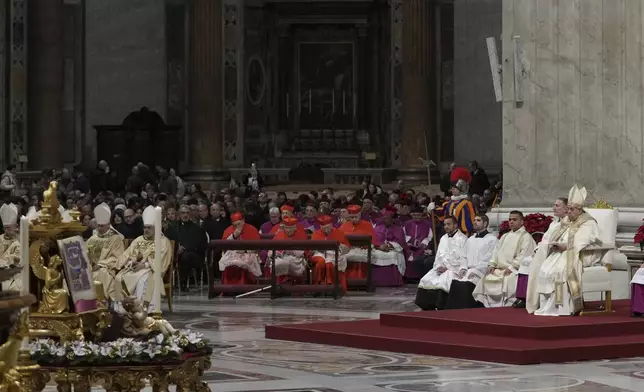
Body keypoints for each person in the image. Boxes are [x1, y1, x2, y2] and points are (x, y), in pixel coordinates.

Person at [529, 187, 602, 316]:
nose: (568, 212)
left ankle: (562, 307)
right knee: (545, 269)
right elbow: (557, 234)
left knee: (559, 271)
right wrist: (554, 244)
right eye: (568, 209)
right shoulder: (568, 220)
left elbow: (582, 241)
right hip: (561, 252)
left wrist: (566, 246)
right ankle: (547, 306)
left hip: (578, 254)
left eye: (571, 209)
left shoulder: (587, 222)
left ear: (579, 210)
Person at [113, 206, 173, 313]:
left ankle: (143, 309)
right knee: (119, 277)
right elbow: (128, 254)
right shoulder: (138, 240)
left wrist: (144, 265)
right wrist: (131, 262)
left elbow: (162, 261)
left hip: (152, 269)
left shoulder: (163, 241)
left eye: (149, 227)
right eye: (145, 227)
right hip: (136, 268)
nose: (146, 230)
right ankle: (123, 309)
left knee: (143, 280)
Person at [473, 211, 536, 308]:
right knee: (485, 278)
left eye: (514, 220)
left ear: (522, 222)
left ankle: (506, 308)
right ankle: (488, 308)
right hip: (499, 269)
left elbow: (524, 255)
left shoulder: (526, 237)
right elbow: (496, 251)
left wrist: (512, 267)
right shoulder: (505, 236)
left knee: (509, 280)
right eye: (510, 219)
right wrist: (492, 264)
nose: (511, 222)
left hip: (513, 271)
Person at [525, 197, 570, 315]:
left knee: (552, 271)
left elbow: (572, 241)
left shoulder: (570, 223)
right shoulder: (554, 223)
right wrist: (537, 249)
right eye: (554, 205)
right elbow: (545, 239)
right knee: (532, 264)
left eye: (557, 205)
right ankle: (537, 302)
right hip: (549, 252)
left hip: (562, 253)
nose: (553, 208)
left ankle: (557, 306)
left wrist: (560, 245)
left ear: (566, 208)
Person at [444, 214, 498, 309]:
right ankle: (453, 312)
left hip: (481, 272)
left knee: (467, 284)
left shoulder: (492, 240)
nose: (475, 222)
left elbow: (490, 258)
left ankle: (468, 311)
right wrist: (463, 268)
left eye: (478, 220)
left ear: (485, 224)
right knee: (455, 282)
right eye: (474, 220)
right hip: (468, 270)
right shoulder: (470, 239)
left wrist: (476, 271)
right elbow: (463, 256)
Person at [415, 216, 467, 310]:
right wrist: (439, 266)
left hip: (454, 269)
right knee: (426, 279)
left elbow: (463, 257)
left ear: (455, 225)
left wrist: (449, 268)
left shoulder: (462, 239)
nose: (446, 226)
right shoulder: (443, 238)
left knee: (444, 281)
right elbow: (438, 256)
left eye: (449, 224)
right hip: (441, 268)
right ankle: (428, 306)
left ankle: (441, 306)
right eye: (445, 224)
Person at [86, 203, 125, 300]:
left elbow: (118, 257)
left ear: (108, 225)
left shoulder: (115, 238)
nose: (99, 228)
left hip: (108, 268)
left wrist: (101, 264)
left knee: (102, 273)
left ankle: (101, 301)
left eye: (102, 226)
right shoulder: (93, 238)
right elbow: (85, 251)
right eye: (98, 226)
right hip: (92, 267)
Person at [170, 205, 208, 291]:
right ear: (179, 214)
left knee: (186, 256)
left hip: (194, 255)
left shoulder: (197, 228)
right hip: (175, 253)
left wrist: (184, 248)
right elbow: (169, 240)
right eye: (183, 213)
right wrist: (176, 248)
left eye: (187, 213)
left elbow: (199, 243)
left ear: (190, 215)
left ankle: (183, 283)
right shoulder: (174, 227)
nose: (185, 215)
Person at [219, 212, 262, 284]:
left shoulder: (252, 230)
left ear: (243, 221)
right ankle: (228, 289)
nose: (237, 227)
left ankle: (244, 288)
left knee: (242, 264)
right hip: (232, 254)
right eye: (235, 225)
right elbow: (224, 246)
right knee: (229, 264)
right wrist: (234, 236)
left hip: (249, 254)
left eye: (239, 224)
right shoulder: (228, 230)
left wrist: (245, 250)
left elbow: (257, 247)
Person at [310, 215, 350, 292]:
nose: (326, 230)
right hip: (320, 254)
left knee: (330, 263)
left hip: (334, 255)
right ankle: (319, 285)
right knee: (321, 262)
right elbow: (312, 249)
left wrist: (341, 246)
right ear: (320, 226)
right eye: (323, 227)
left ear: (331, 225)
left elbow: (347, 248)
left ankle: (333, 286)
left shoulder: (339, 233)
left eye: (328, 227)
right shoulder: (316, 234)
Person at [370, 207, 408, 287]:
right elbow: (373, 240)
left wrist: (389, 245)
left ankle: (393, 282)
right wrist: (380, 246)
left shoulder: (398, 229)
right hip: (379, 248)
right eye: (384, 218)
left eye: (387, 218)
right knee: (373, 254)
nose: (385, 220)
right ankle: (375, 281)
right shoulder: (377, 228)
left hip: (393, 249)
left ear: (392, 219)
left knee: (393, 255)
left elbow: (401, 243)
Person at [338, 204, 374, 280]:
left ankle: (362, 280)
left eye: (355, 217)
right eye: (351, 217)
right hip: (347, 249)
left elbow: (372, 239)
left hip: (362, 249)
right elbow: (339, 239)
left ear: (360, 215)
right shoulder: (344, 225)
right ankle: (343, 280)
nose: (353, 219)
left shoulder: (367, 225)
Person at [270, 217, 309, 284]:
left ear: (295, 228)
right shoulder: (279, 235)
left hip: (297, 258)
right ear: (284, 227)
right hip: (281, 257)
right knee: (279, 264)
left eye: (291, 228)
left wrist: (294, 252)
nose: (289, 230)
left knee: (289, 262)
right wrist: (281, 252)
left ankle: (292, 285)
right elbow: (271, 251)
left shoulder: (301, 235)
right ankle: (281, 285)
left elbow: (305, 251)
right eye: (287, 228)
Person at [404, 205, 434, 280]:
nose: (416, 217)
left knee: (420, 255)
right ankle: (408, 277)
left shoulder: (427, 224)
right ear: (411, 215)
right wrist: (408, 242)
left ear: (422, 215)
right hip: (409, 246)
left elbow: (430, 237)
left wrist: (424, 243)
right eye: (414, 215)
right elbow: (403, 235)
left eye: (418, 215)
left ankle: (418, 277)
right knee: (407, 254)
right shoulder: (407, 224)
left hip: (423, 247)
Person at [0, 203, 21, 291]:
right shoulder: (0, 238)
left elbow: (19, 258)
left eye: (8, 228)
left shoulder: (21, 239)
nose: (6, 231)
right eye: (4, 228)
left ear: (16, 227)